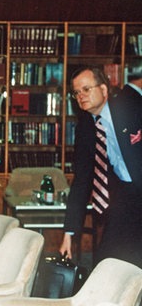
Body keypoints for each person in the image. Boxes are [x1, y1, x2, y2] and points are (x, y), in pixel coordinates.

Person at [59, 66, 142, 268]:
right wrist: (69, 233)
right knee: (108, 263)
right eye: (76, 92)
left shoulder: (131, 108)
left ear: (104, 90)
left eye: (86, 89)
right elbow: (82, 181)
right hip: (124, 199)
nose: (81, 96)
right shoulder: (86, 128)